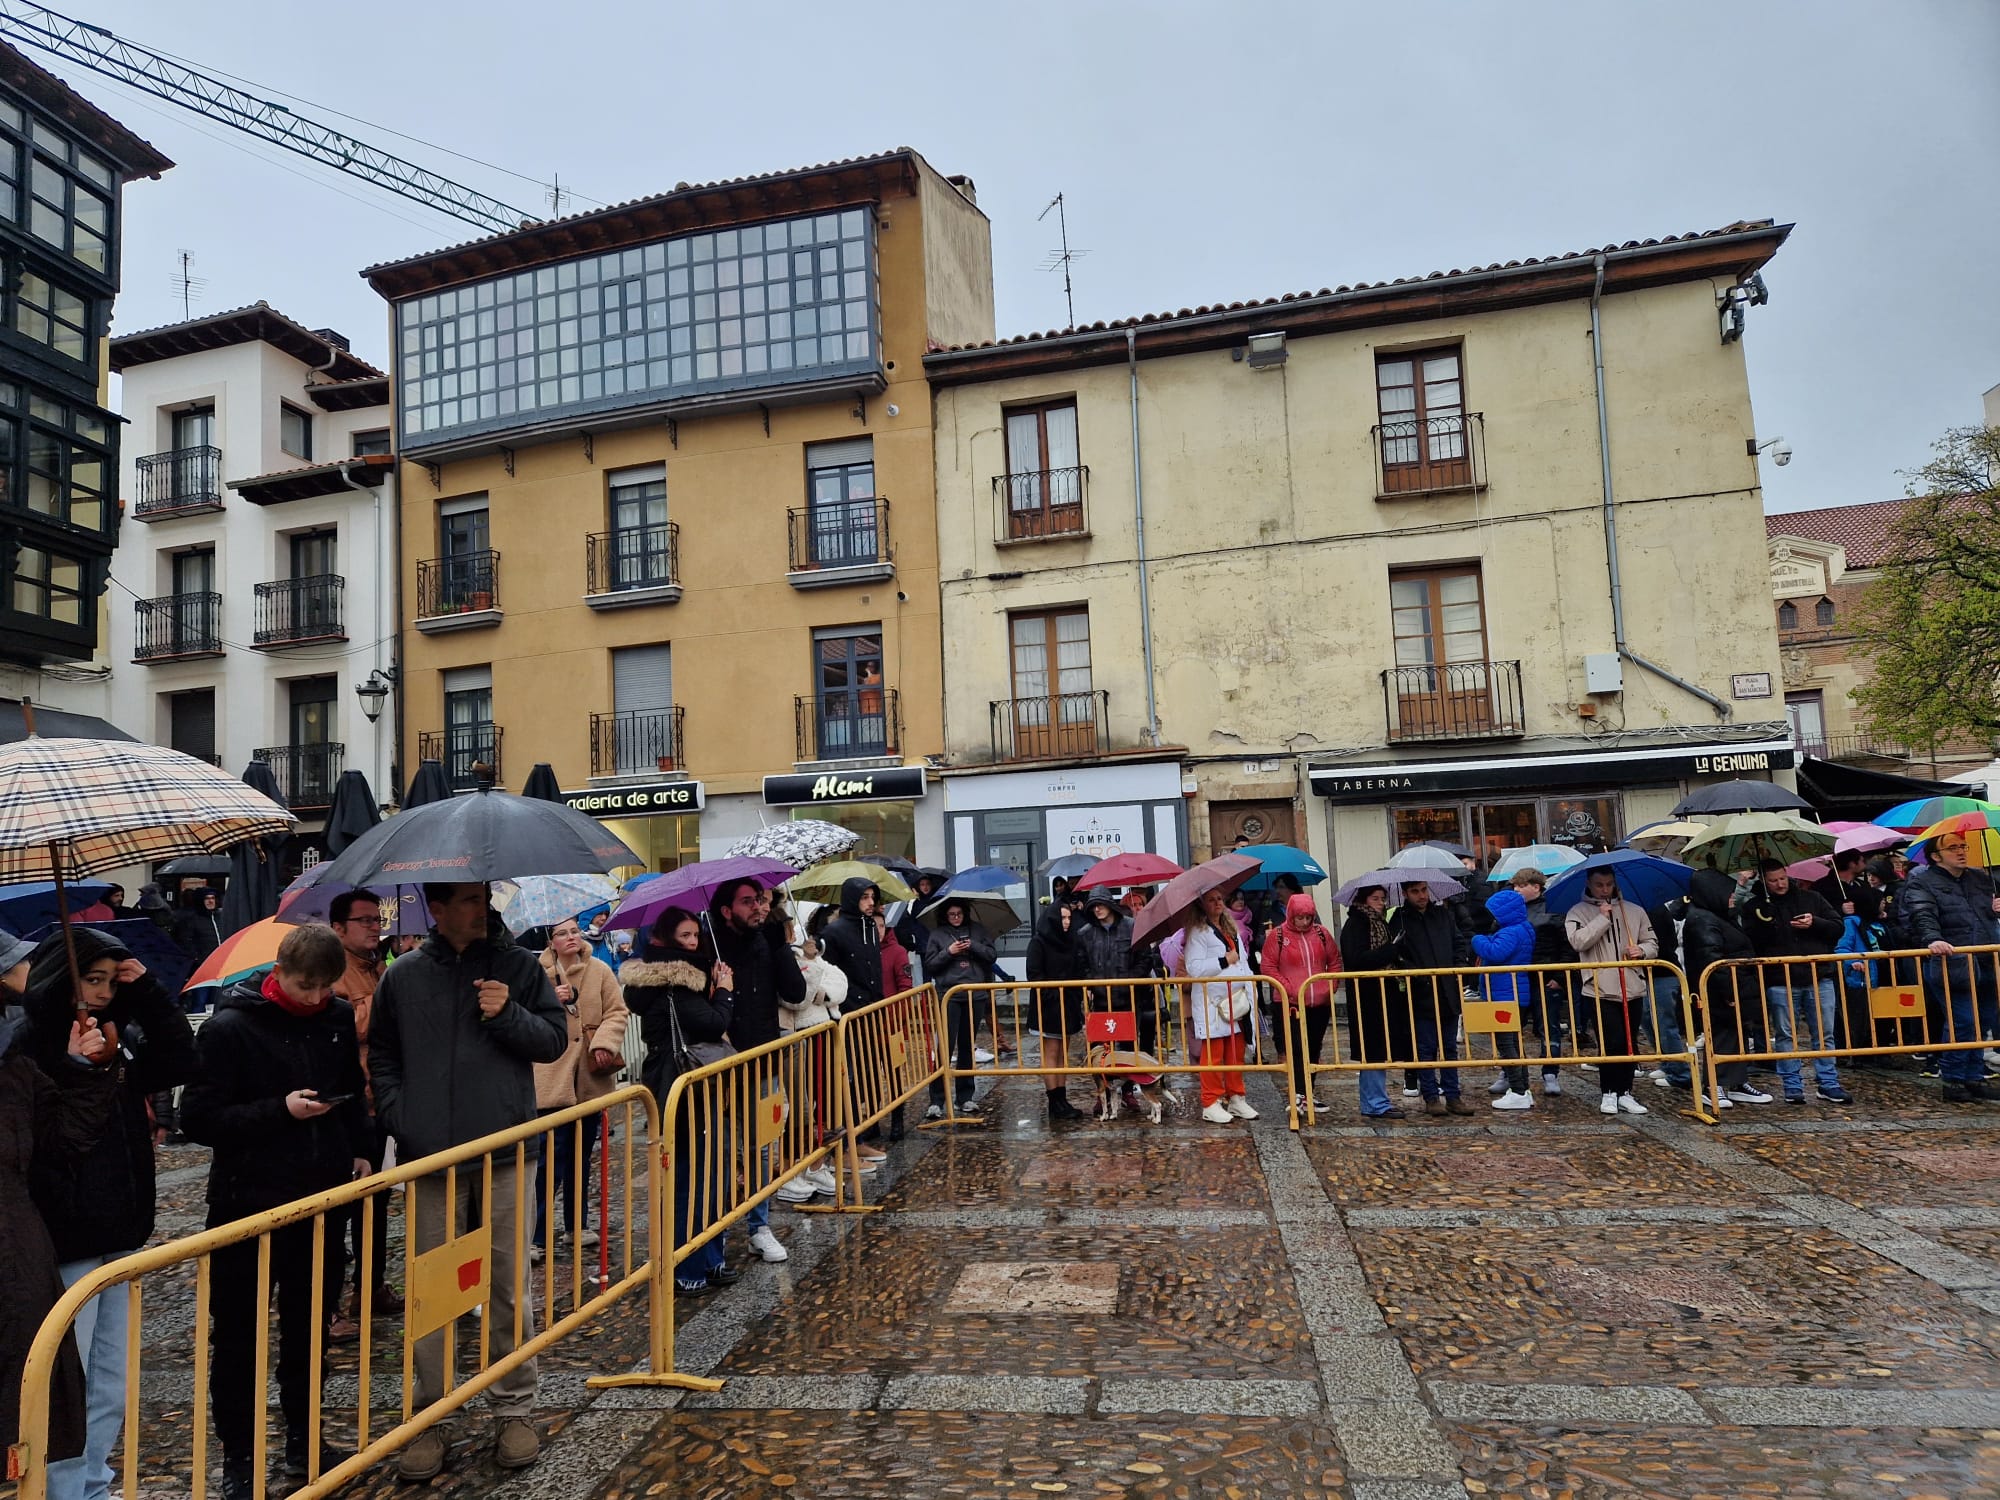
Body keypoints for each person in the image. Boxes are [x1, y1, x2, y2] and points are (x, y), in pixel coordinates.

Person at [368, 883, 568, 1480]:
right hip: (430, 1158)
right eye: (463, 899)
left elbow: (554, 1040)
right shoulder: (403, 975)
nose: (479, 908)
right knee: (433, 1292)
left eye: (482, 896)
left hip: (506, 1149)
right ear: (436, 906)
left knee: (508, 1285)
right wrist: (403, 1118)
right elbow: (382, 1054)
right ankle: (433, 1416)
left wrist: (507, 1012)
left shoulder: (518, 967)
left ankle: (514, 1408)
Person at [179, 924, 369, 1498]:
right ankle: (239, 1457)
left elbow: (350, 1093)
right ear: (278, 973)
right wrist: (279, 1111)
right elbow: (199, 1119)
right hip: (247, 1203)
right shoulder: (229, 1029)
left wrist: (357, 1147)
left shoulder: (334, 1018)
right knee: (237, 1336)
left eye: (324, 988)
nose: (314, 998)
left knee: (309, 1331)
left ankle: (304, 1439)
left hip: (321, 1198)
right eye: (305, 985)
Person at [23, 926, 195, 1500]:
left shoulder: (113, 1038)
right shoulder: (32, 1050)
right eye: (89, 980)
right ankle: (65, 1488)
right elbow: (49, 1144)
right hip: (68, 1238)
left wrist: (143, 988)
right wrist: (78, 1070)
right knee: (70, 1378)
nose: (100, 993)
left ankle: (94, 1482)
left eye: (107, 981)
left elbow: (178, 1056)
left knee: (111, 1380)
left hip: (119, 1231)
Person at [0, 932, 115, 1472]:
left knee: (25, 1409)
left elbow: (64, 1139)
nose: (27, 965)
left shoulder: (14, 1066)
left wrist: (81, 1070)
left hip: (18, 1251)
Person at [620, 907, 758, 1281]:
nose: (694, 942)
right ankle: (690, 1267)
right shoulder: (674, 980)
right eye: (685, 936)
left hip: (677, 1085)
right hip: (684, 1087)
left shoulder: (671, 979)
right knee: (692, 1177)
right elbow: (712, 1023)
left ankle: (709, 1258)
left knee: (708, 1172)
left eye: (696, 935)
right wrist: (725, 993)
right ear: (661, 938)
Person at [706, 879, 821, 1238]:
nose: (758, 907)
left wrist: (781, 947)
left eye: (759, 900)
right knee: (723, 1150)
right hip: (721, 1064)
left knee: (763, 1146)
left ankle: (760, 1226)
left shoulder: (768, 939)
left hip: (763, 1059)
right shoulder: (710, 944)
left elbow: (795, 992)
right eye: (747, 902)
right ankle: (717, 1231)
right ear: (726, 911)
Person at [530, 918, 629, 1262]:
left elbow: (617, 1012)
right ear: (550, 940)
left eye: (574, 931)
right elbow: (525, 1018)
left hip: (589, 1076)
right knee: (547, 1160)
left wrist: (604, 1042)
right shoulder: (536, 972)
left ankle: (577, 1224)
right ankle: (537, 1234)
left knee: (580, 1155)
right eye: (562, 933)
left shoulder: (600, 969)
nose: (570, 937)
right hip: (551, 1077)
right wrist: (550, 1001)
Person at [327, 890, 397, 1343]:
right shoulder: (332, 970)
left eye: (378, 918)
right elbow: (347, 1024)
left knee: (377, 1202)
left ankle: (370, 1289)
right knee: (341, 1207)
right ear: (339, 927)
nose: (375, 926)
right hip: (348, 1105)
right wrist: (389, 997)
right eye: (365, 920)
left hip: (381, 1100)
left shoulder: (378, 966)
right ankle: (329, 1305)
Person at [1738, 858, 1849, 1105]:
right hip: (1779, 978)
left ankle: (1828, 1082)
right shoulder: (1755, 906)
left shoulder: (1813, 898)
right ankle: (1792, 1084)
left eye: (1782, 878)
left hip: (1817, 974)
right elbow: (1750, 940)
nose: (1780, 884)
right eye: (1773, 881)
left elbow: (1837, 927)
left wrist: (1814, 923)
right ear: (1764, 882)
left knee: (1824, 1033)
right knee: (1785, 1035)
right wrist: (1766, 922)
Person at [1902, 831, 2000, 1103]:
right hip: (1952, 960)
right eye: (1953, 848)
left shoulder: (1979, 878)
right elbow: (1921, 914)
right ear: (1936, 856)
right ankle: (1954, 1080)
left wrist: (1995, 909)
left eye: (1963, 846)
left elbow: (1984, 914)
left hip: (1986, 957)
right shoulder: (1922, 882)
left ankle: (1974, 1077)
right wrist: (1933, 938)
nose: (1961, 851)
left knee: (1982, 1023)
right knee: (1963, 1021)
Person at [1563, 868, 1659, 1115]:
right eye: (1599, 885)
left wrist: (1642, 951)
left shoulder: (1634, 911)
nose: (1604, 890)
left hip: (1632, 986)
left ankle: (1625, 1091)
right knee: (1610, 1041)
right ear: (1590, 885)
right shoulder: (1577, 912)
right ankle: (1608, 1091)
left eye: (1608, 885)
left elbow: (1652, 942)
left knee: (1628, 1042)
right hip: (1599, 988)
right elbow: (1578, 942)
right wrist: (1602, 919)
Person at [1680, 868, 1771, 1108]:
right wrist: (1728, 992)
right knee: (1720, 1036)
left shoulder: (1718, 914)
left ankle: (1737, 1082)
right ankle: (1713, 1085)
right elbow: (1711, 959)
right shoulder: (1702, 919)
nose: (1733, 897)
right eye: (1728, 893)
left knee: (1738, 1034)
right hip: (1717, 990)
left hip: (1735, 984)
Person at [1391, 880, 1473, 1116]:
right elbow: (1396, 953)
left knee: (1449, 1048)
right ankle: (1430, 1096)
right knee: (1426, 1047)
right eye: (1415, 891)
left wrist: (1459, 967)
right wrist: (1415, 975)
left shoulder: (1443, 915)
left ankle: (1453, 1095)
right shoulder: (1401, 918)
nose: (1421, 895)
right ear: (1406, 893)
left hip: (1447, 988)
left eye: (1424, 890)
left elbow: (1459, 942)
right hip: (1421, 992)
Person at [1178, 890, 1258, 1124]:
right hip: (1212, 1003)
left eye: (1220, 899)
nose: (1218, 903)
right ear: (1201, 905)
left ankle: (1236, 1096)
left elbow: (1242, 960)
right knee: (1213, 1053)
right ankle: (1210, 1100)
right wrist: (1224, 960)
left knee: (1235, 1050)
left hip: (1236, 1000)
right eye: (1211, 900)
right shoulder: (1197, 933)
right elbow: (1195, 968)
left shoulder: (1230, 929)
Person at [1259, 892, 1340, 1112]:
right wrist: (1289, 989)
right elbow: (1268, 967)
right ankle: (1298, 1094)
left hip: (1318, 1004)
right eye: (1300, 918)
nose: (1304, 922)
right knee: (1295, 1049)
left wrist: (1329, 986)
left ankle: (1307, 1093)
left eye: (1308, 918)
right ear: (1292, 915)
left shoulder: (1322, 934)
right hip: (1289, 1003)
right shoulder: (1277, 936)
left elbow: (1334, 961)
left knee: (1313, 1049)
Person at [1339, 887, 1408, 1119]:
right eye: (1375, 899)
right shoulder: (1358, 924)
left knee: (1378, 1048)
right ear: (1364, 900)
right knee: (1372, 1049)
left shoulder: (1380, 923)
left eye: (1382, 899)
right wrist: (1391, 950)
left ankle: (1377, 1100)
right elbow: (1357, 959)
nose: (1380, 903)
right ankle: (1374, 1102)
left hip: (1382, 993)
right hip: (1366, 995)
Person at [923, 899, 993, 1119]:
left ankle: (965, 1096)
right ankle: (937, 1099)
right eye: (952, 914)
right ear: (945, 915)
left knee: (966, 1046)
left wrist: (974, 945)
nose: (956, 917)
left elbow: (991, 955)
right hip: (949, 995)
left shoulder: (978, 930)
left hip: (975, 993)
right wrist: (949, 951)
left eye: (959, 913)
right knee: (944, 1046)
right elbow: (931, 965)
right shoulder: (937, 935)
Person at [1474, 887, 1539, 1110]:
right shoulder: (1524, 928)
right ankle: (1522, 1088)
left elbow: (1495, 953)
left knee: (1507, 1044)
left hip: (1505, 995)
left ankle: (1518, 1090)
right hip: (1514, 994)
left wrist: (1478, 939)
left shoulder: (1510, 932)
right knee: (1514, 1043)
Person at [1025, 890, 1086, 1121]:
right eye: (1063, 918)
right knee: (1051, 1052)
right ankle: (1054, 1100)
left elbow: (1077, 968)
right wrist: (1054, 992)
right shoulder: (1039, 941)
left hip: (1068, 1004)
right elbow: (1034, 973)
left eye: (1069, 917)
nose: (1067, 922)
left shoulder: (1071, 941)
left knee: (1063, 1054)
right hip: (1048, 1005)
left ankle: (1062, 1097)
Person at [819, 878, 884, 1012]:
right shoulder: (833, 932)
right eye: (864, 897)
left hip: (875, 1009)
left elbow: (875, 970)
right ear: (853, 899)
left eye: (872, 897)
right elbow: (826, 974)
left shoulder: (871, 928)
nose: (871, 902)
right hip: (848, 1012)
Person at [174, 887, 226, 965]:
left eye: (213, 898)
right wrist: (196, 957)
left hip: (223, 959)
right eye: (207, 898)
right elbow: (186, 940)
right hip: (204, 962)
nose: (210, 901)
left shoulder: (221, 917)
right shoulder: (193, 919)